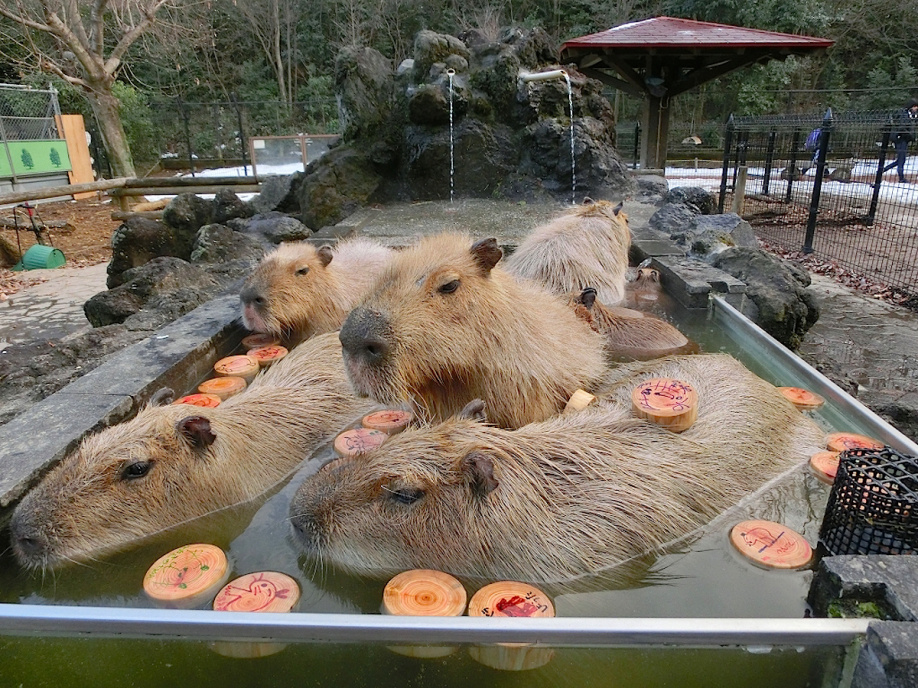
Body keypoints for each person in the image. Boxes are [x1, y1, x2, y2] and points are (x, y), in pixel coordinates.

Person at [882, 98, 918, 183]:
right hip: (900, 139)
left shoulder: (910, 115)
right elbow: (902, 128)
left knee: (900, 160)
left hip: (904, 139)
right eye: (915, 106)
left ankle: (882, 170)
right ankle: (901, 178)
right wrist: (911, 137)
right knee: (901, 160)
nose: (916, 108)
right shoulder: (904, 115)